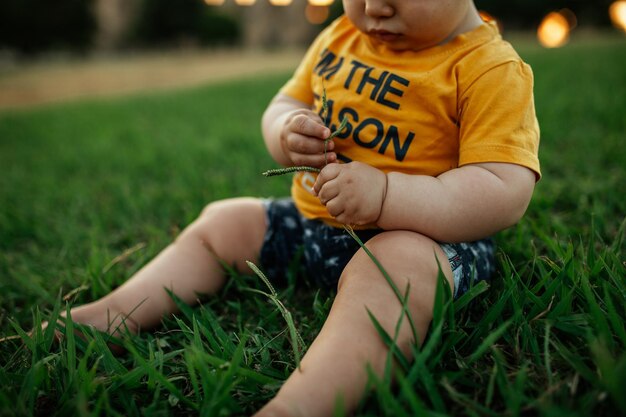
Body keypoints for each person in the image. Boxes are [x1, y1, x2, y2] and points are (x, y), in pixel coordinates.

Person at [45, 1, 541, 416]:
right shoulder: (342, 34)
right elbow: (283, 103)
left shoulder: (488, 68)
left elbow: (502, 188)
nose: (373, 7)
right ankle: (111, 315)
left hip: (425, 240)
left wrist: (390, 196)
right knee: (225, 219)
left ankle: (301, 403)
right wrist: (288, 129)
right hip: (315, 225)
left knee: (396, 268)